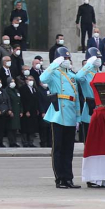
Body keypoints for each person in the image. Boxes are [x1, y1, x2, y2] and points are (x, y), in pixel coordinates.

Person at [40, 47, 80, 188]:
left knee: (68, 149)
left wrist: (78, 117)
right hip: (58, 113)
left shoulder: (72, 76)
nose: (67, 61)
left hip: (70, 113)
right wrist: (54, 64)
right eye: (64, 58)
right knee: (57, 148)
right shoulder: (54, 73)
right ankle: (59, 179)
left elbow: (76, 98)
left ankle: (68, 178)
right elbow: (42, 78)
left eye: (68, 59)